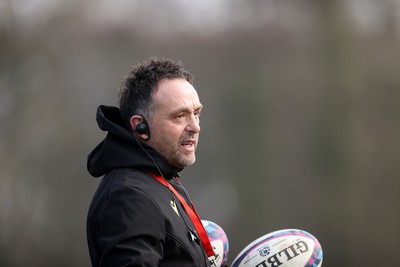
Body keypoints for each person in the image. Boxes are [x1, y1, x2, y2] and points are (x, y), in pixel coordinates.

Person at [86, 57, 218, 267]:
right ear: (141, 127)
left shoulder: (160, 180)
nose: (195, 126)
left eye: (196, 113)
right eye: (180, 116)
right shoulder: (129, 196)